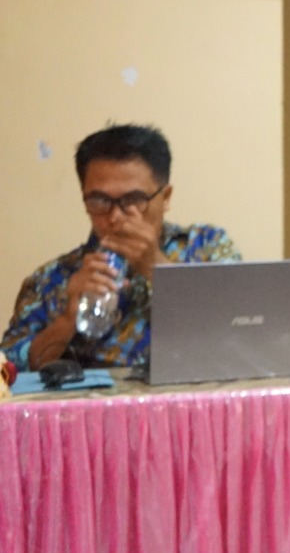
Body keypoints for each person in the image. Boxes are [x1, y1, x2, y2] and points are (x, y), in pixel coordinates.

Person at [2, 124, 239, 370]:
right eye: (100, 200)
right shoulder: (51, 277)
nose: (115, 216)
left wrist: (156, 267)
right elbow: (9, 370)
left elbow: (241, 333)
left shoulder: (206, 247)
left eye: (134, 199)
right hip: (92, 394)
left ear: (165, 197)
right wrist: (67, 319)